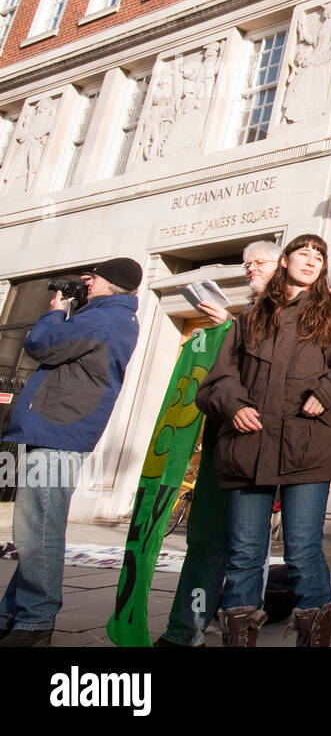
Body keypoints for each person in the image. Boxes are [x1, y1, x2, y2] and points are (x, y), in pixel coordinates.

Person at [196, 234, 331, 647]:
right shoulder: (251, 318)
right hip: (248, 450)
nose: (311, 260)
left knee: (302, 553)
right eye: (303, 253)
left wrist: (327, 392)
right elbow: (216, 382)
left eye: (319, 257)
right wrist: (234, 405)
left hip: (305, 452)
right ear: (285, 260)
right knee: (243, 556)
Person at [0, 258, 142, 647]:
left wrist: (55, 314)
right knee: (35, 531)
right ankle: (13, 615)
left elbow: (41, 345)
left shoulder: (104, 318)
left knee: (39, 531)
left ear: (112, 284)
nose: (86, 282)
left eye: (93, 278)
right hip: (57, 430)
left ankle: (35, 622)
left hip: (59, 432)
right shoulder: (105, 316)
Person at [154, 240, 280, 648]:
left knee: (247, 549)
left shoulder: (290, 315)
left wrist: (229, 327)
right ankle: (184, 629)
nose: (250, 269)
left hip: (257, 449)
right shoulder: (240, 317)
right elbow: (217, 383)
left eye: (259, 262)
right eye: (246, 263)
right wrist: (226, 327)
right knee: (205, 540)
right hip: (221, 441)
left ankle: (238, 630)